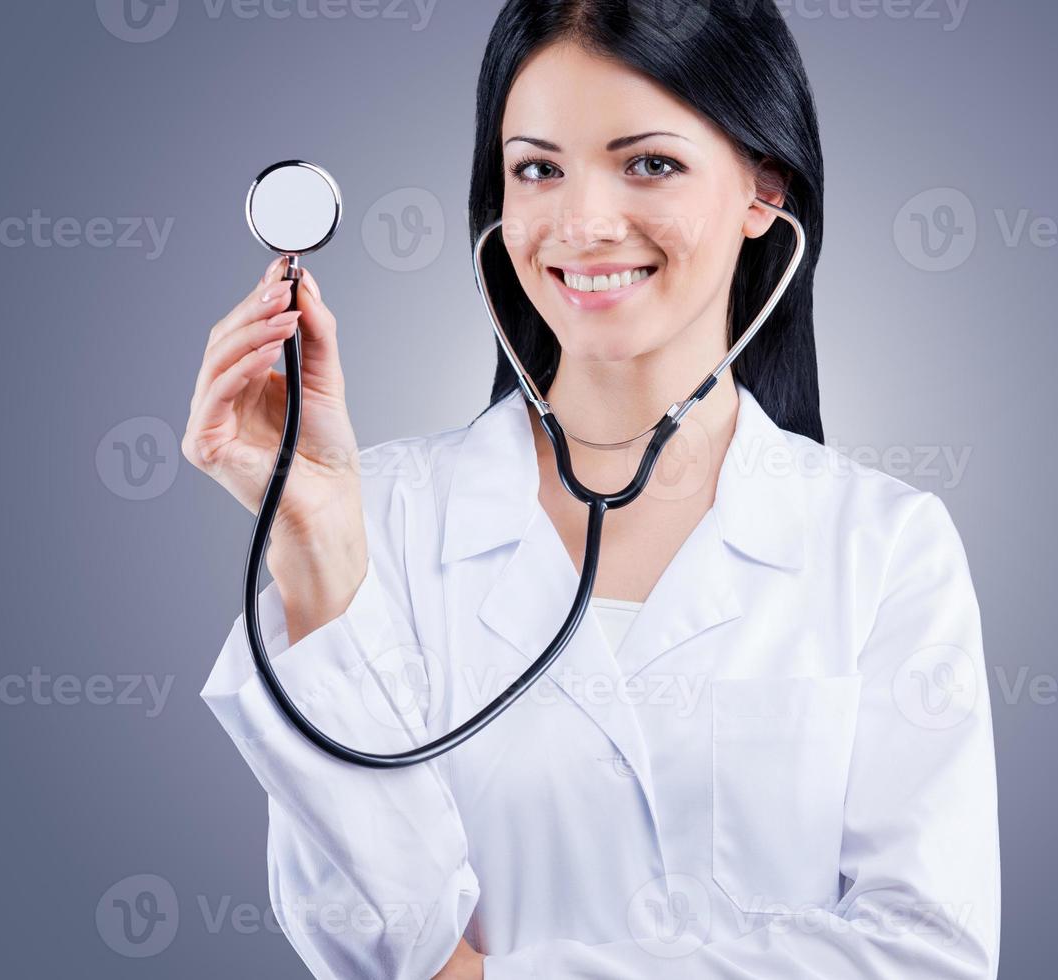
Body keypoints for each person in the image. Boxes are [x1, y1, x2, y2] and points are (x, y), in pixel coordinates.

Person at [185, 2, 1001, 977]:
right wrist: (314, 547)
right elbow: (360, 941)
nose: (581, 223)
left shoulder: (882, 545)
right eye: (536, 167)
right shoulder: (381, 517)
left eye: (647, 161)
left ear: (761, 188)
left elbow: (927, 954)